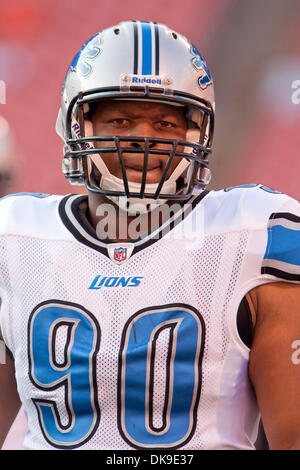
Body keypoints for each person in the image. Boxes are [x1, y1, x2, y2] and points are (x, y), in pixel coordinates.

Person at [0, 20, 299, 451]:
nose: (143, 139)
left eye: (165, 124)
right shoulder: (15, 237)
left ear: (196, 134)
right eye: (121, 120)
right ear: (78, 128)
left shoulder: (252, 234)